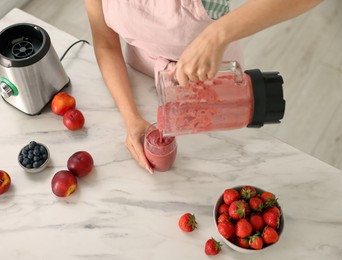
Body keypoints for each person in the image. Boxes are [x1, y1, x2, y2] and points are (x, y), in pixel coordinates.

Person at [84, 0, 322, 174]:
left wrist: (217, 35)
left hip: (214, 90)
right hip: (139, 80)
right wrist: (131, 118)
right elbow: (105, 44)